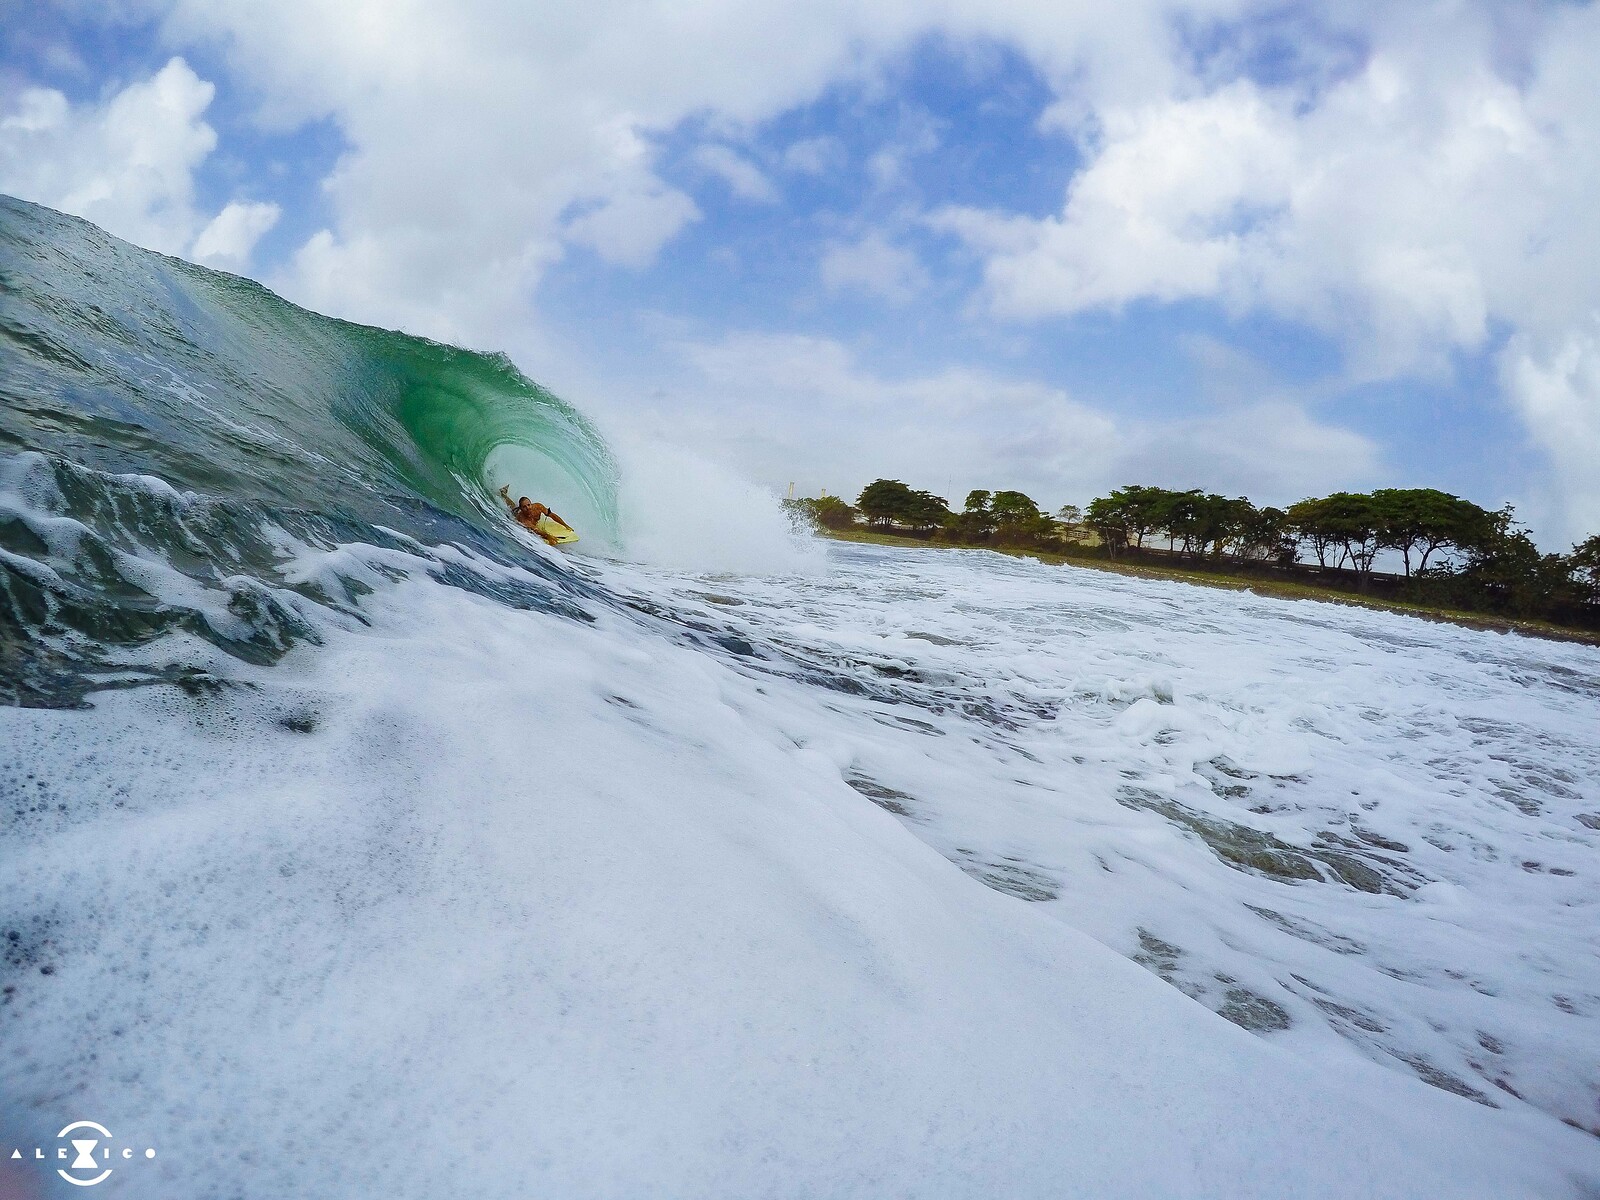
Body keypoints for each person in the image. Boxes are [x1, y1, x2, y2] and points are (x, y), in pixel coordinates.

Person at [499, 485, 572, 546]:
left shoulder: (538, 507)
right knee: (512, 506)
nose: (527, 508)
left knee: (513, 505)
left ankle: (504, 493)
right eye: (524, 507)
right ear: (521, 508)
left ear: (531, 504)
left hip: (521, 511)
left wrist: (565, 525)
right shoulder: (523, 519)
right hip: (515, 514)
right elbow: (536, 530)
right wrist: (548, 536)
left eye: (528, 505)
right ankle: (503, 494)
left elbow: (552, 515)